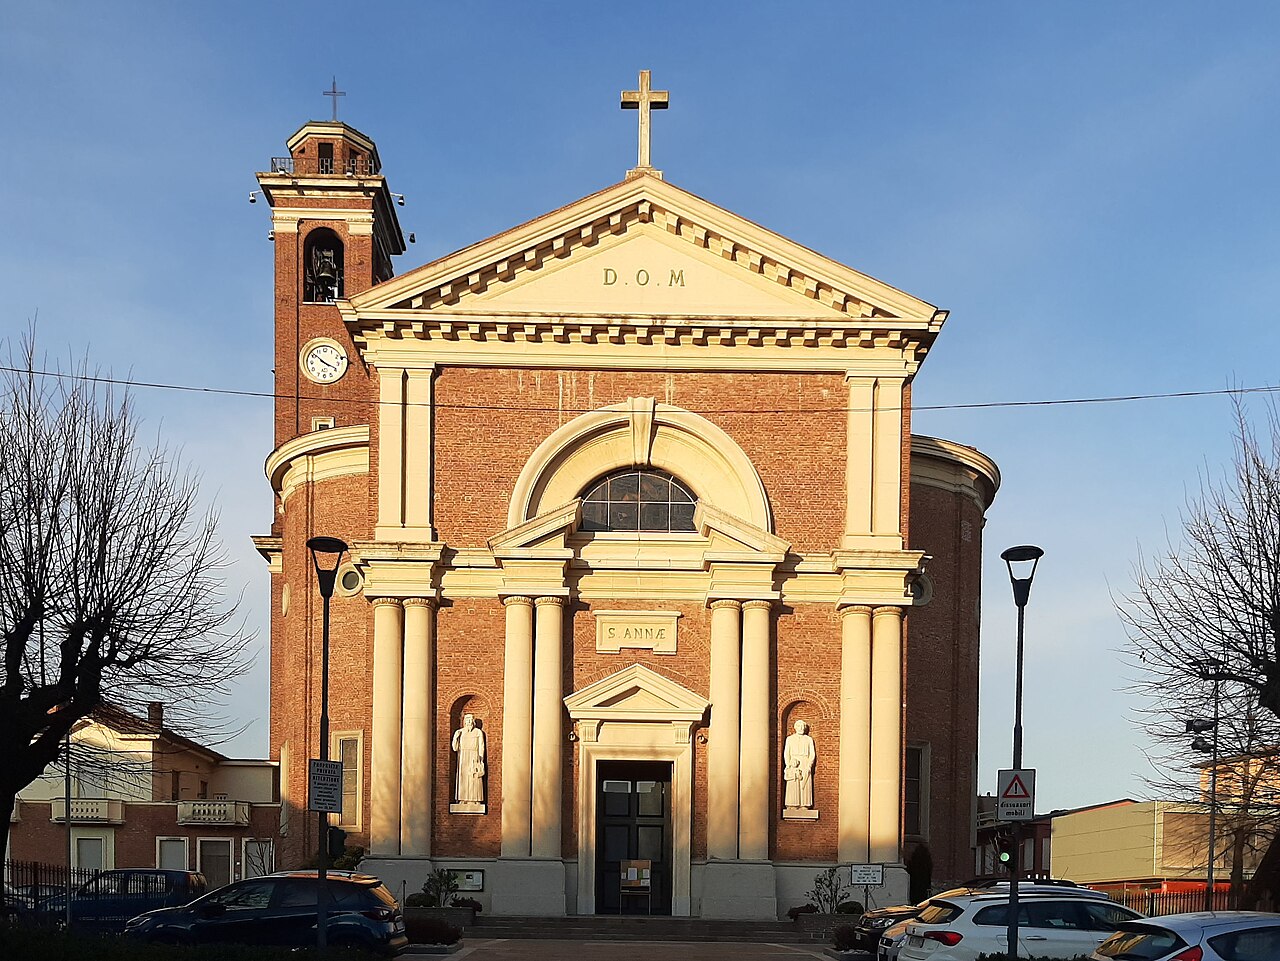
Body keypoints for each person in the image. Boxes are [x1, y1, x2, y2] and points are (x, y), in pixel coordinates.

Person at [451, 713, 486, 803]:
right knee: (463, 777)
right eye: (467, 720)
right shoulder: (460, 732)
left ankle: (475, 799)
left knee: (474, 777)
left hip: (474, 755)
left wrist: (480, 758)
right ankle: (462, 798)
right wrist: (455, 737)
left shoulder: (478, 732)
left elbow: (481, 746)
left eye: (470, 720)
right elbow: (455, 748)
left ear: (473, 722)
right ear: (464, 722)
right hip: (463, 756)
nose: (469, 722)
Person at [783, 719, 816, 808]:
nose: (801, 728)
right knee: (793, 783)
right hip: (793, 761)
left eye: (802, 726)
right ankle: (792, 804)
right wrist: (788, 765)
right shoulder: (790, 739)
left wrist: (809, 764)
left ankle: (805, 804)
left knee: (804, 783)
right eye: (798, 726)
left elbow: (812, 753)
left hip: (805, 761)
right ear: (795, 727)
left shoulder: (809, 739)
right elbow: (786, 753)